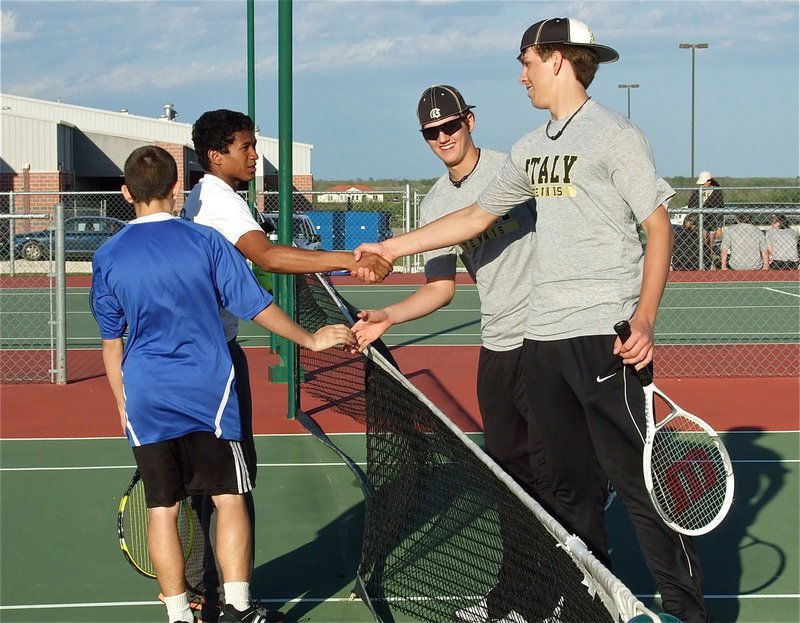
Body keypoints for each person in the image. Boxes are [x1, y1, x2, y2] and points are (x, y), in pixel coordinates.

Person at [355, 17, 713, 623]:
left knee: (637, 483)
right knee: (565, 492)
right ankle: (584, 607)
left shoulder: (615, 135)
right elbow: (473, 217)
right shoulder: (529, 149)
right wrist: (390, 248)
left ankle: (687, 612)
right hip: (541, 342)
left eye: (526, 62)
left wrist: (645, 318)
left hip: (604, 336)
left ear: (557, 60)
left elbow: (657, 227)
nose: (521, 76)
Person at [91, 146, 355, 623]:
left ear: (126, 193)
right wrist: (311, 339)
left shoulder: (107, 256)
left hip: (145, 396)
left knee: (162, 508)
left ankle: (179, 615)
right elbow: (256, 305)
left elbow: (112, 345)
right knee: (229, 497)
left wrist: (122, 404)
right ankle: (238, 608)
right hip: (209, 392)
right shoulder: (206, 241)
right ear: (177, 188)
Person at [182, 109, 391, 622]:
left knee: (198, 488)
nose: (256, 156)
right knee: (231, 486)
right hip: (214, 364)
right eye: (246, 147)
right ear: (217, 156)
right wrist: (348, 258)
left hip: (191, 361)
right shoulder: (220, 201)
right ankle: (232, 605)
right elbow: (269, 257)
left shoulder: (201, 198)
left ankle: (200, 594)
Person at [352, 85, 551, 620]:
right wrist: (388, 315)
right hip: (499, 345)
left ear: (470, 122)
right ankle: (516, 598)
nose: (443, 137)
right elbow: (440, 288)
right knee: (510, 483)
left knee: (551, 478)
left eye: (450, 126)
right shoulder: (438, 203)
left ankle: (556, 596)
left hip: (546, 339)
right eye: (431, 132)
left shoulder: (514, 170)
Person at [688, 171, 724, 268]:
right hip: (700, 221)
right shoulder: (697, 192)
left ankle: (709, 261)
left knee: (710, 243)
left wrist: (720, 225)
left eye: (703, 183)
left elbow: (720, 208)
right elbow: (691, 205)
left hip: (712, 221)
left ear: (709, 181)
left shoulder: (717, 192)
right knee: (703, 241)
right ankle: (702, 261)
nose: (702, 185)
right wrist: (693, 218)